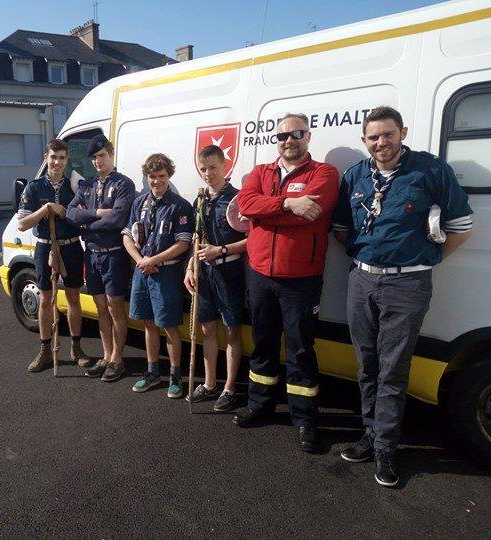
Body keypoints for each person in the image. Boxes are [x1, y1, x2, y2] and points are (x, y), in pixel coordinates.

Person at [332, 106, 473, 487]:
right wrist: (369, 261)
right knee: (367, 364)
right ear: (365, 140)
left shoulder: (429, 170)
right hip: (362, 282)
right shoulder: (356, 175)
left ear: (402, 133)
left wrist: (422, 262)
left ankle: (385, 448)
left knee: (393, 370)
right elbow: (342, 228)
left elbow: (462, 227)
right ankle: (369, 433)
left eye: (388, 134)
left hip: (407, 286)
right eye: (374, 137)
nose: (381, 142)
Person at [235, 113, 339, 453]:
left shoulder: (324, 173)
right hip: (261, 275)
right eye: (282, 136)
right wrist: (288, 203)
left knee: (300, 349)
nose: (288, 140)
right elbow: (246, 205)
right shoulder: (259, 172)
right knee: (263, 343)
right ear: (275, 141)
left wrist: (272, 211)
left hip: (301, 280)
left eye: (296, 134)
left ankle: (305, 419)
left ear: (307, 136)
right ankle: (259, 405)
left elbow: (312, 212)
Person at [122, 153, 193, 398]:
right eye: (152, 176)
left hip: (167, 273)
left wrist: (154, 260)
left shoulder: (180, 205)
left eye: (161, 176)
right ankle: (152, 372)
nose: (156, 181)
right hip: (142, 271)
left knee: (170, 326)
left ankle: (175, 377)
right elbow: (127, 236)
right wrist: (141, 260)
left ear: (169, 175)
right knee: (148, 324)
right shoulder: (139, 203)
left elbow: (183, 244)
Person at [16, 139, 91, 372]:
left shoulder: (74, 185)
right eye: (53, 157)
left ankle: (76, 348)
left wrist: (66, 211)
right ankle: (45, 350)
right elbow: (21, 224)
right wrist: (45, 208)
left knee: (73, 298)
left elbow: (84, 215)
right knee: (46, 299)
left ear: (66, 160)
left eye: (61, 158)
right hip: (45, 247)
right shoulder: (34, 187)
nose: (57, 162)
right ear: (46, 158)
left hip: (70, 247)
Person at [183, 145, 247, 411]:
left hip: (228, 271)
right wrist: (189, 267)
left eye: (212, 167)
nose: (208, 174)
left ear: (225, 166)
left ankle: (230, 388)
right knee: (207, 328)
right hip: (204, 272)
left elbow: (252, 239)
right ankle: (209, 384)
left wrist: (220, 250)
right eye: (203, 169)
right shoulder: (199, 200)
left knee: (232, 330)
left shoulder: (239, 199)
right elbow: (197, 240)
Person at [67, 135, 136, 381]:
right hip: (92, 256)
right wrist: (95, 213)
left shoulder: (124, 184)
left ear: (111, 154)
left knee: (114, 308)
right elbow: (70, 213)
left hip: (114, 256)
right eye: (94, 157)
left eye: (102, 156)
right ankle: (106, 356)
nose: (98, 161)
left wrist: (87, 226)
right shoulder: (86, 186)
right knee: (100, 309)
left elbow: (117, 219)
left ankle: (118, 359)